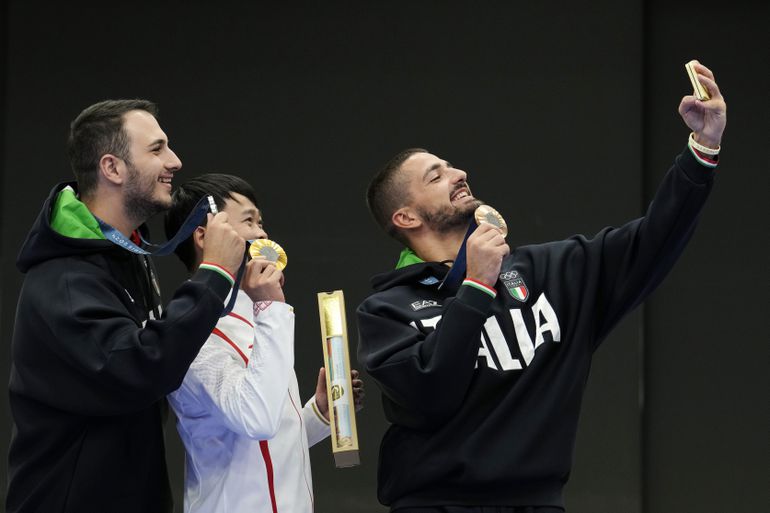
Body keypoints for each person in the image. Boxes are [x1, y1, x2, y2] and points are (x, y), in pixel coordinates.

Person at [356, 60, 726, 512]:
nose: (458, 175)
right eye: (436, 176)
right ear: (406, 217)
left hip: (537, 502)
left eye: (451, 167)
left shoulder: (551, 270)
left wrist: (702, 150)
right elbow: (429, 397)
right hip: (435, 503)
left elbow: (650, 242)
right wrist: (475, 286)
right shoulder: (386, 310)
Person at [6, 100, 252, 513]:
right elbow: (139, 368)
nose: (175, 161)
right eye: (156, 149)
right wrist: (213, 275)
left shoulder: (126, 255)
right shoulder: (65, 279)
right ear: (112, 168)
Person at [164, 173, 364, 513]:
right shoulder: (191, 328)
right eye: (248, 221)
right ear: (204, 236)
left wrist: (316, 415)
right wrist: (272, 308)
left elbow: (261, 441)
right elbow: (256, 419)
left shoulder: (255, 320)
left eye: (261, 222)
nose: (263, 234)